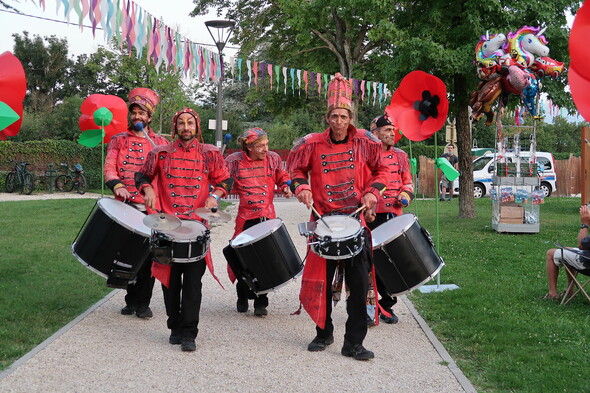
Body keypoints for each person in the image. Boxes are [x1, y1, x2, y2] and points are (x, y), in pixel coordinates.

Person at [287, 73, 388, 361]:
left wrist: (372, 194)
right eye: (334, 116)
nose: (339, 121)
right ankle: (323, 332)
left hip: (356, 222)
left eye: (344, 116)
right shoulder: (312, 143)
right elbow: (295, 172)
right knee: (320, 282)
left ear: (350, 117)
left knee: (358, 286)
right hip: (323, 221)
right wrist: (302, 187)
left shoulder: (367, 142)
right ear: (327, 117)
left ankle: (353, 342)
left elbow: (382, 172)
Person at [135, 107, 233, 352]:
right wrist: (147, 188)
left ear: (197, 127)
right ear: (175, 127)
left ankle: (189, 333)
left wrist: (215, 196)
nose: (186, 127)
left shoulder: (210, 154)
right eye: (181, 123)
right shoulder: (159, 153)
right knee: (169, 282)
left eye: (190, 123)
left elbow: (225, 180)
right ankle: (174, 326)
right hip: (167, 226)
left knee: (192, 284)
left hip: (196, 228)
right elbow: (142, 176)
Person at [103, 87, 169, 319]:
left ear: (150, 117)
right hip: (125, 206)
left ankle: (143, 303)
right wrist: (116, 184)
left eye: (142, 113)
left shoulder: (160, 142)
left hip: (151, 208)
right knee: (128, 254)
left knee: (149, 256)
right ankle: (131, 300)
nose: (137, 117)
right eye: (134, 113)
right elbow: (110, 166)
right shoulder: (118, 140)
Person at [225, 128, 292, 317]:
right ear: (249, 146)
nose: (265, 149)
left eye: (266, 144)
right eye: (260, 146)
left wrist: (286, 186)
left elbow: (282, 177)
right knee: (242, 258)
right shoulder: (234, 161)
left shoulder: (273, 159)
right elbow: (223, 181)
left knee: (267, 259)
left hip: (267, 215)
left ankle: (262, 301)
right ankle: (242, 292)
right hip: (245, 217)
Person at [365, 114, 415, 326]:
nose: (391, 134)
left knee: (392, 262)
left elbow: (408, 182)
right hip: (371, 216)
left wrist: (405, 195)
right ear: (375, 133)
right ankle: (370, 306)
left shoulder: (401, 156)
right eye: (387, 130)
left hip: (394, 216)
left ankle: (387, 303)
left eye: (392, 130)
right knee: (370, 263)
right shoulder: (365, 156)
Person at [544, 204, 590, 300]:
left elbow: (582, 245)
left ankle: (552, 293)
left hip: (587, 263)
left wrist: (585, 223)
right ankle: (570, 290)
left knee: (550, 253)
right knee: (568, 250)